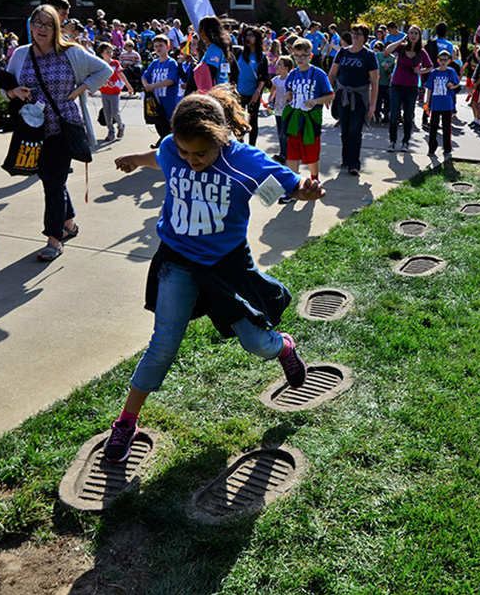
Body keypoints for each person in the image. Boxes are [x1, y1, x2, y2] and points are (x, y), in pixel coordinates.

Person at [106, 88, 325, 463]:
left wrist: (307, 190)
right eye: (184, 151)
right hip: (177, 260)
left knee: (257, 344)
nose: (191, 160)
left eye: (201, 153)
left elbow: (291, 187)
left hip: (227, 266)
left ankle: (283, 348)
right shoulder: (173, 150)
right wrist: (135, 160)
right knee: (162, 345)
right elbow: (160, 157)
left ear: (222, 137)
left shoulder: (248, 162)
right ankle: (126, 423)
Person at [2, 5, 111, 261]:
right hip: (33, 131)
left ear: (56, 28)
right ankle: (69, 224)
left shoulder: (71, 52)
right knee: (53, 181)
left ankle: (54, 239)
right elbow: (6, 85)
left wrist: (81, 88)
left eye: (48, 24)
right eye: (37, 23)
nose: (42, 29)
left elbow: (104, 70)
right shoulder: (20, 55)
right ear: (30, 26)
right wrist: (13, 92)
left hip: (62, 127)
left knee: (52, 185)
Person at [280, 37, 333, 196]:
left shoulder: (318, 74)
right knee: (292, 152)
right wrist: (287, 96)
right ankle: (293, 185)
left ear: (310, 55)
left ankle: (315, 179)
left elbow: (330, 95)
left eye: (303, 55)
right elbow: (288, 94)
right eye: (297, 55)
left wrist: (316, 100)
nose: (300, 59)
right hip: (295, 117)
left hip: (311, 118)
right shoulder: (292, 74)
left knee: (311, 149)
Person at [328, 23, 378, 176]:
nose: (355, 36)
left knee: (354, 130)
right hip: (342, 95)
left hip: (359, 96)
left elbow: (375, 81)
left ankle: (354, 163)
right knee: (344, 130)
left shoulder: (369, 55)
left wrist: (373, 105)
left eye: (359, 34)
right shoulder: (343, 52)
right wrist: (328, 94)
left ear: (365, 37)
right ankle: (346, 159)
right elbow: (332, 74)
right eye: (354, 33)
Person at [385, 24, 433, 153]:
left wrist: (420, 71)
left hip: (411, 87)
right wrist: (401, 40)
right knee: (394, 115)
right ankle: (392, 141)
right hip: (396, 85)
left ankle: (405, 142)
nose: (413, 35)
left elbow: (430, 66)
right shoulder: (401, 48)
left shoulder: (421, 52)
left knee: (408, 116)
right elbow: (387, 50)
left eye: (416, 33)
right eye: (411, 33)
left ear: (419, 37)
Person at [143, 34, 182, 147]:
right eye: (155, 46)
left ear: (167, 47)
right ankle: (162, 144)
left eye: (161, 45)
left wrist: (154, 85)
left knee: (169, 125)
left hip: (168, 100)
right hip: (156, 100)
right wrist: (146, 85)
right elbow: (144, 76)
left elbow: (171, 80)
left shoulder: (171, 63)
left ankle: (165, 146)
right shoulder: (154, 63)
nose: (158, 48)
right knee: (158, 123)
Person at [234, 25, 269, 146]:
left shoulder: (262, 57)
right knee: (238, 120)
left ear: (257, 38)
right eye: (245, 35)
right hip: (239, 92)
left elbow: (263, 77)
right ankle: (240, 142)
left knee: (253, 121)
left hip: (253, 92)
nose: (247, 38)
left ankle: (252, 146)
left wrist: (258, 92)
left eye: (250, 35)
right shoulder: (239, 52)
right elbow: (233, 72)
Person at [424, 50, 460, 157]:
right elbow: (429, 88)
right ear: (438, 60)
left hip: (447, 104)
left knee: (446, 127)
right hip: (436, 104)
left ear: (449, 61)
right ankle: (432, 148)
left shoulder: (451, 72)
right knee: (433, 128)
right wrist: (427, 102)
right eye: (441, 60)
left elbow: (457, 84)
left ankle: (447, 148)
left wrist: (452, 86)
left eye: (445, 60)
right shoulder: (434, 73)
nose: (443, 62)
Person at [98, 42, 130, 141]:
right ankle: (110, 131)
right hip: (104, 91)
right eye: (107, 52)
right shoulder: (99, 64)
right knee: (107, 113)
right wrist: (93, 88)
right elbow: (97, 77)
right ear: (102, 53)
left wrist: (128, 86)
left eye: (111, 52)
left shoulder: (115, 63)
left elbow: (121, 75)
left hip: (115, 92)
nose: (110, 54)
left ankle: (121, 126)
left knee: (115, 112)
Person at [269, 55, 293, 163]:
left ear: (286, 68)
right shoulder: (276, 80)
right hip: (278, 109)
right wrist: (270, 101)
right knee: (280, 132)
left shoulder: (290, 80)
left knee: (284, 132)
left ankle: (284, 154)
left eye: (279, 64)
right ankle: (283, 152)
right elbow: (272, 92)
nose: (276, 66)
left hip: (287, 110)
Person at [198, 16, 233, 86]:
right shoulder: (213, 48)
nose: (198, 30)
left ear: (204, 30)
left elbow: (210, 73)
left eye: (199, 27)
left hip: (216, 90)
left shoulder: (214, 49)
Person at [374, 41, 394, 123]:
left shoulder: (392, 59)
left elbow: (392, 71)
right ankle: (376, 115)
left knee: (387, 101)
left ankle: (386, 116)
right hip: (378, 82)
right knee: (377, 100)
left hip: (387, 83)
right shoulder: (378, 55)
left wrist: (388, 70)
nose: (386, 52)